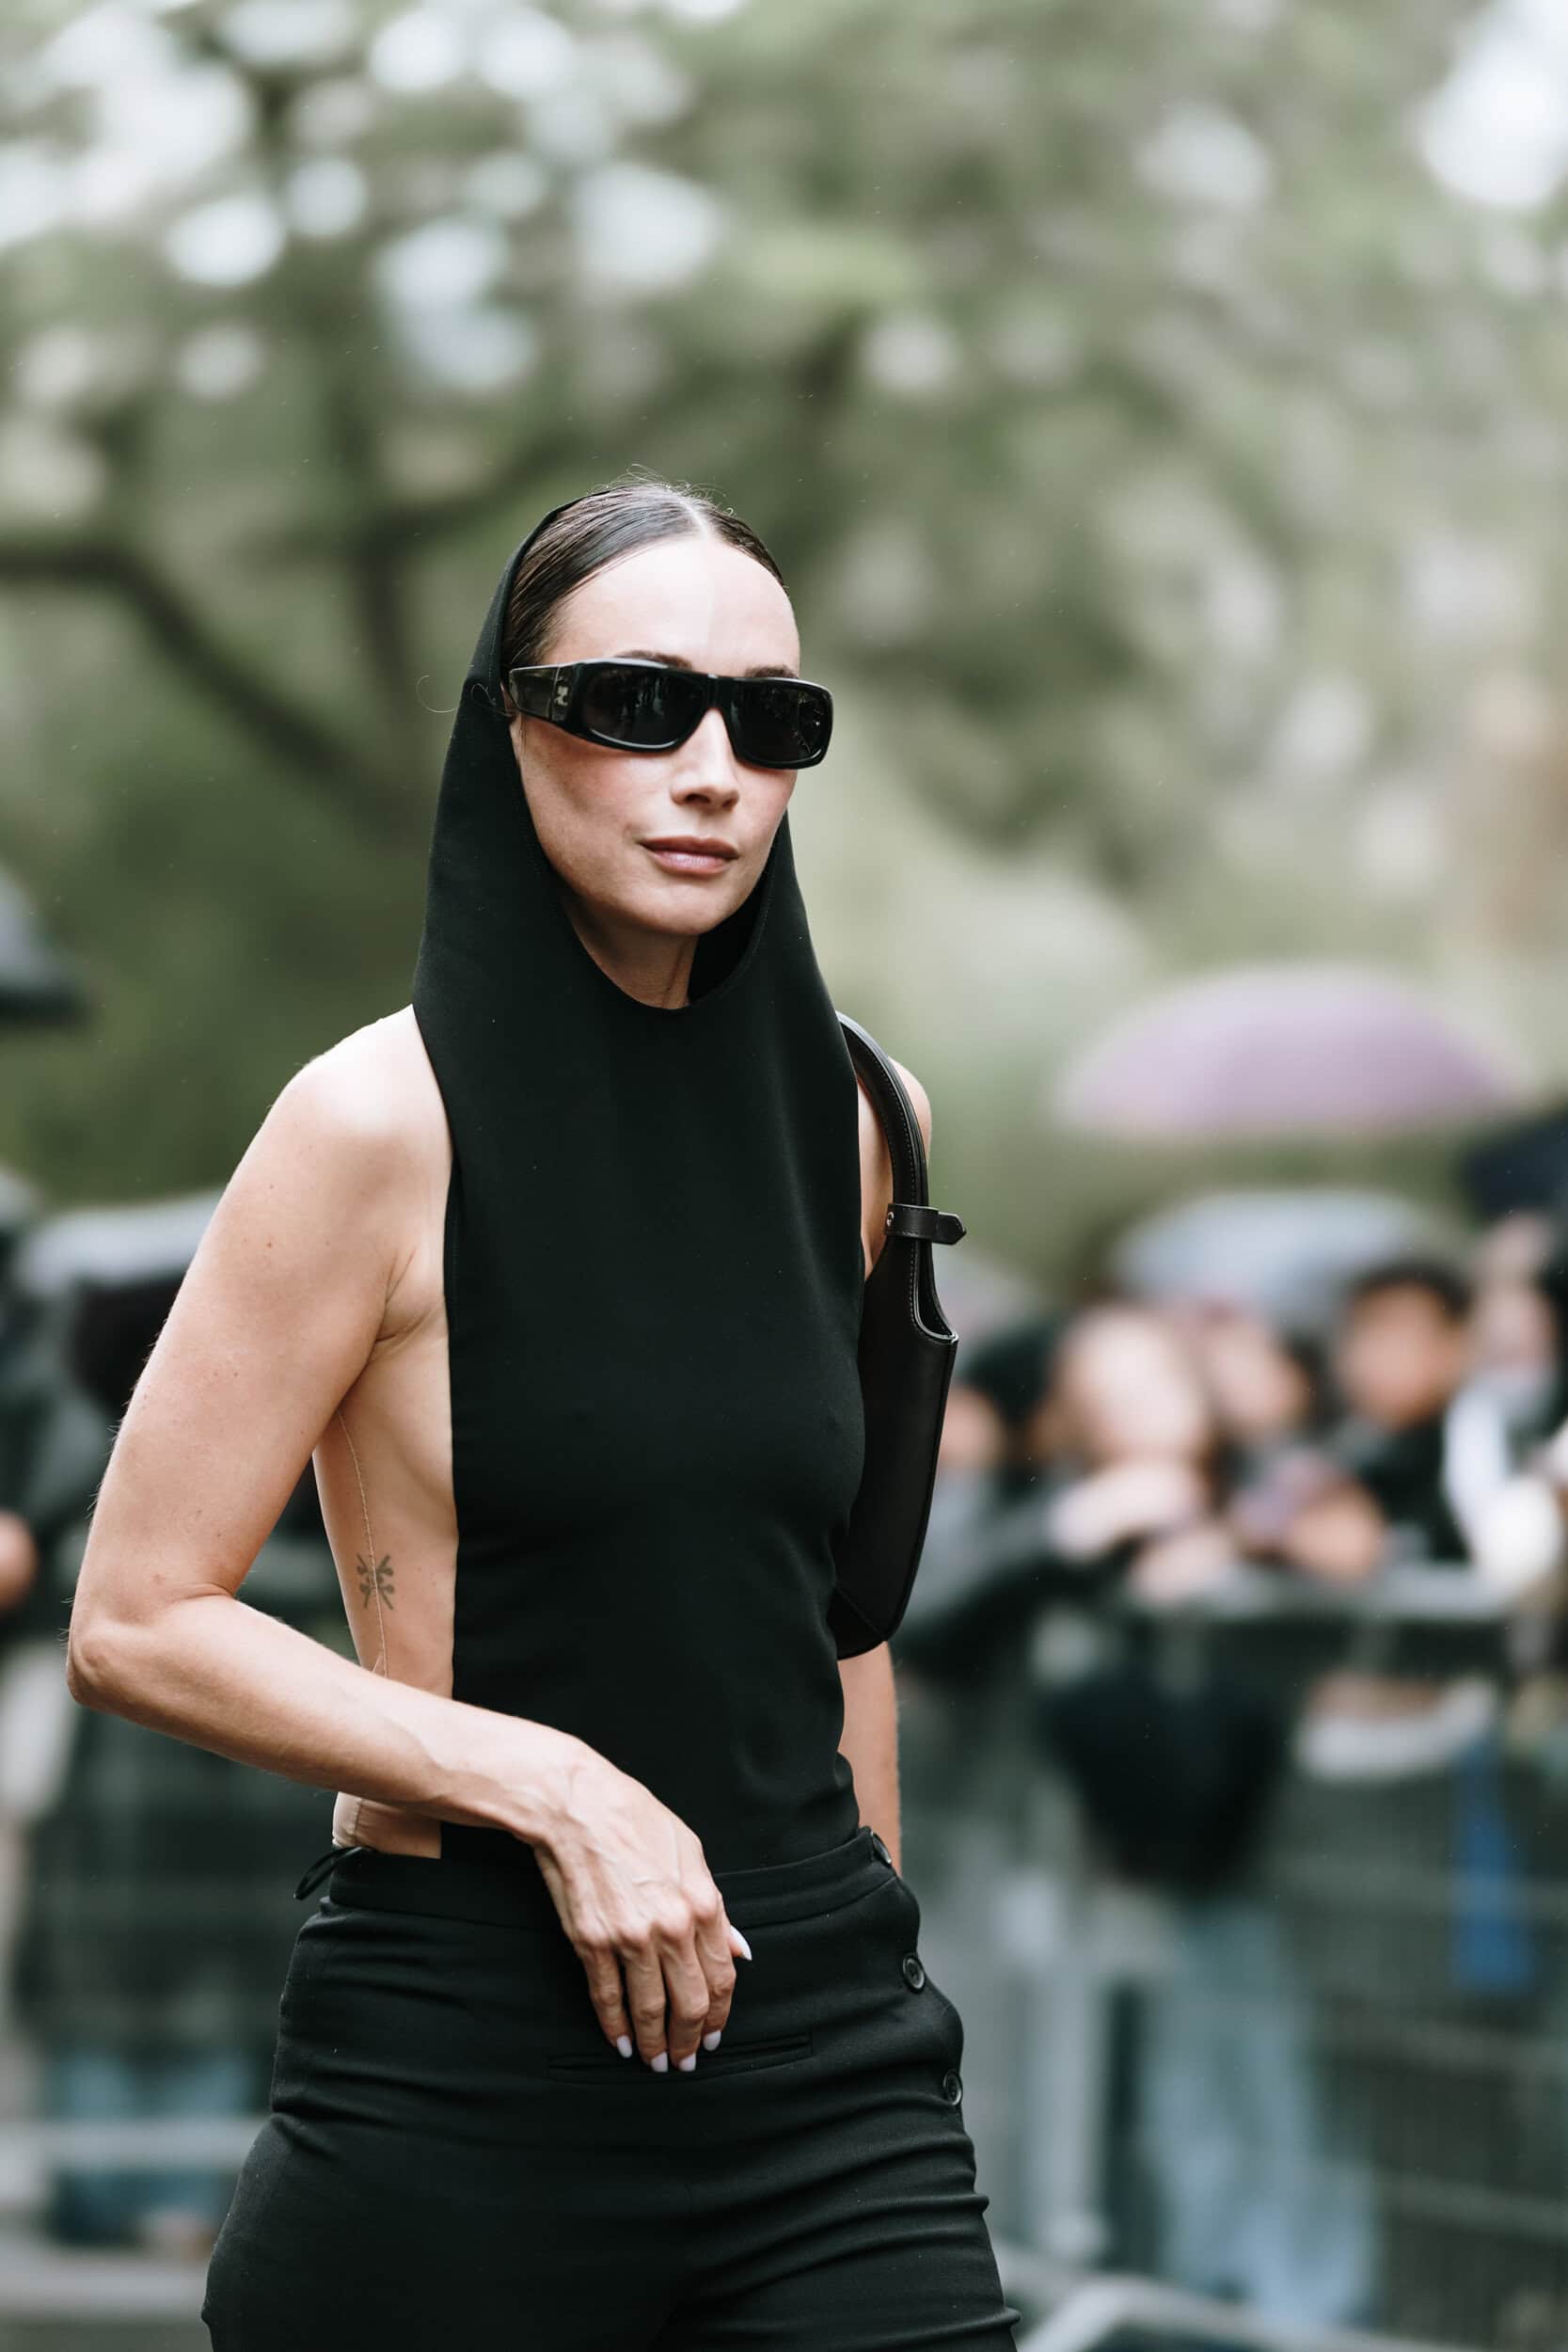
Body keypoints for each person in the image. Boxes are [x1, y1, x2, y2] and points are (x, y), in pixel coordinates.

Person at [63, 476, 1022, 2350]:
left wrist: (876, 1970)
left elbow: (837, 1618)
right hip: (468, 2065)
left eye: (771, 720)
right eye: (637, 706)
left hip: (822, 2058)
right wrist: (555, 1783)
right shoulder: (371, 1122)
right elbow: (136, 1616)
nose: (712, 772)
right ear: (509, 725)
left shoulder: (865, 1119)